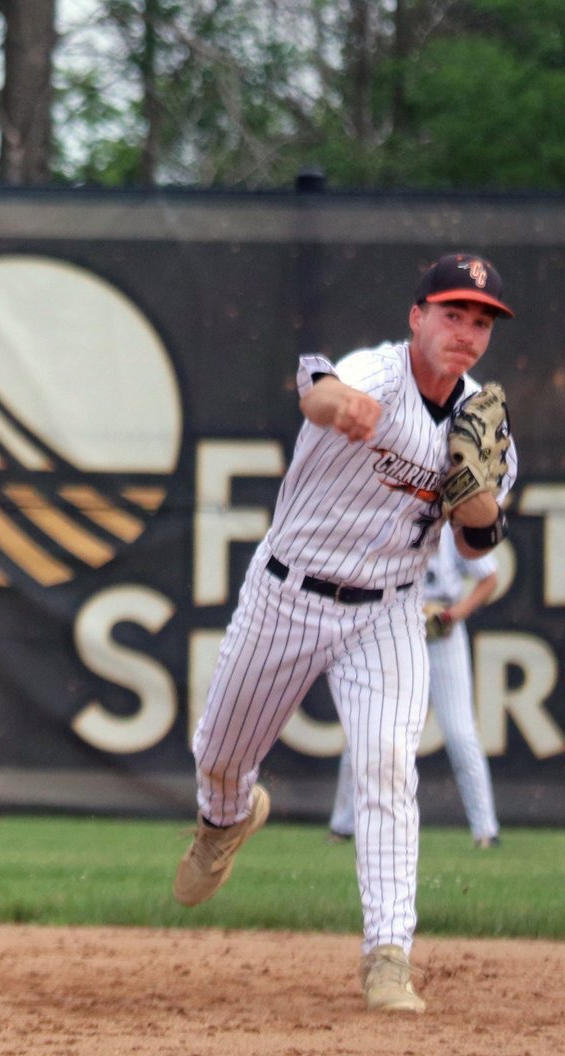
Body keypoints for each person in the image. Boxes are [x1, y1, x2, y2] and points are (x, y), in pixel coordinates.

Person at [172, 252, 517, 1014]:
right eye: (453, 313)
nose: (467, 332)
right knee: (221, 756)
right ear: (417, 316)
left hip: (388, 610)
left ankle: (388, 954)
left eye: (482, 321)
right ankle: (224, 819)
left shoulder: (483, 426)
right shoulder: (381, 374)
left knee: (390, 765)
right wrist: (338, 407)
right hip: (288, 592)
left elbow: (474, 547)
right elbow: (319, 388)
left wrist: (479, 497)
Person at [328, 528, 501, 847]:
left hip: (442, 634)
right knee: (367, 728)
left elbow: (489, 577)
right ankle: (342, 826)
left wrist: (453, 615)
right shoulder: (388, 519)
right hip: (392, 629)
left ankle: (486, 831)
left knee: (461, 734)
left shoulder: (452, 524)